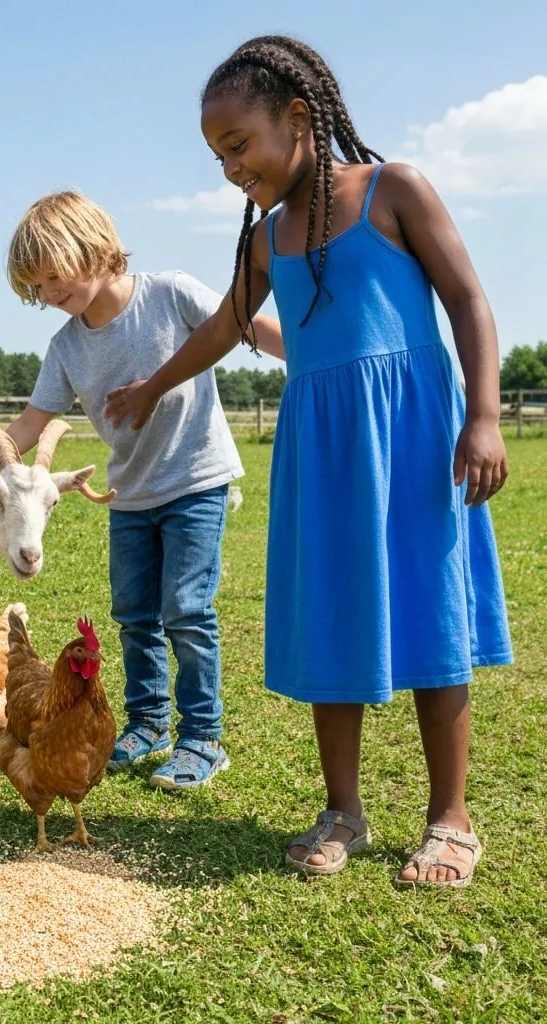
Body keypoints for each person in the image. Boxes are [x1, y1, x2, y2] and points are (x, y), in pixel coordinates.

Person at [104, 36, 511, 884]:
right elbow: (222, 329)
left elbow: (469, 300)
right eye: (216, 155)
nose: (229, 169)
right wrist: (150, 386)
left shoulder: (392, 190)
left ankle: (450, 816)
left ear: (298, 118)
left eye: (238, 146)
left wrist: (483, 418)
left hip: (414, 438)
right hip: (322, 451)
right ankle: (344, 810)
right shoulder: (265, 242)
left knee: (431, 617)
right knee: (332, 615)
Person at [0, 190, 282, 788]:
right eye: (37, 289)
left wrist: (313, 354)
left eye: (53, 276)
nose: (49, 295)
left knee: (185, 610)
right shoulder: (66, 347)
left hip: (195, 481)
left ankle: (202, 738)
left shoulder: (170, 293)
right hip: (131, 493)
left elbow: (244, 324)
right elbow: (29, 425)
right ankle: (147, 723)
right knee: (134, 614)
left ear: (93, 248)